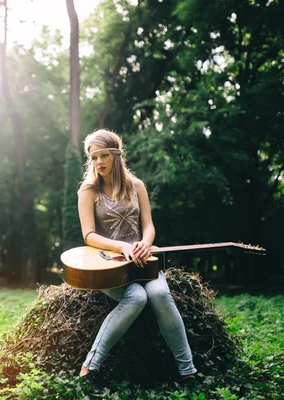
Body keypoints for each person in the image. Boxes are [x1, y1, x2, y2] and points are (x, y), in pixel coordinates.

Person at [76, 129, 197, 387]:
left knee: (159, 294)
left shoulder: (137, 186)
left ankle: (188, 371)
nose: (99, 162)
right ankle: (90, 367)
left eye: (104, 155)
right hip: (109, 268)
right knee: (136, 297)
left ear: (117, 156)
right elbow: (89, 235)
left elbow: (149, 226)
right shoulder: (88, 191)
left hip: (143, 262)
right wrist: (121, 247)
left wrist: (145, 243)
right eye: (94, 157)